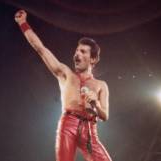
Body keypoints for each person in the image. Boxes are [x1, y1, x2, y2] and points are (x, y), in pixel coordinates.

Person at [15, 10, 112, 161]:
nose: (77, 54)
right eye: (76, 51)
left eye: (83, 51)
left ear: (93, 60)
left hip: (90, 130)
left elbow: (105, 115)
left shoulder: (101, 85)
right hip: (68, 124)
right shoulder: (65, 74)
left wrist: (95, 104)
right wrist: (23, 23)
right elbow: (41, 49)